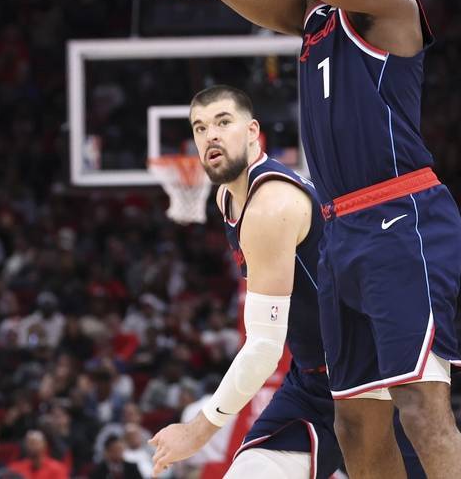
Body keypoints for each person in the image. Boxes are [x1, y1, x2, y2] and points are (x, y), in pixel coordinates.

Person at [205, 0, 461, 479]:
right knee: (354, 423)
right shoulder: (313, 14)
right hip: (341, 230)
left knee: (422, 411)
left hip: (400, 215)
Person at [148, 86, 350, 478]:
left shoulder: (270, 205)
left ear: (253, 131)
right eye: (200, 127)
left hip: (366, 373)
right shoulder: (227, 198)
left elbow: (264, 348)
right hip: (313, 380)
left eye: (223, 122)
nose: (211, 135)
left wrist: (196, 431)